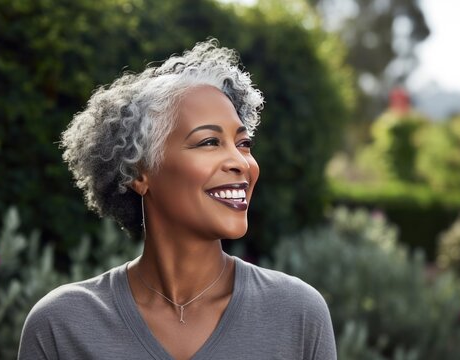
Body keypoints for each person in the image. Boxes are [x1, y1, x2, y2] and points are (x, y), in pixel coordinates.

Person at [18, 39, 336, 360]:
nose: (241, 162)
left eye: (243, 143)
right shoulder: (61, 325)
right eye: (209, 142)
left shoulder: (298, 314)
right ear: (139, 172)